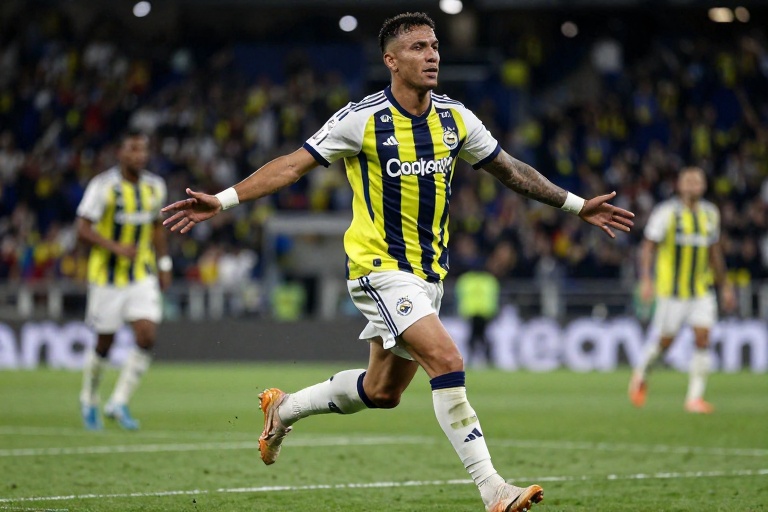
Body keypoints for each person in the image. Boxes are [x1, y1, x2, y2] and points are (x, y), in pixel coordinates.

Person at [163, 13, 634, 512]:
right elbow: (292, 165)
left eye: (434, 46)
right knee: (447, 361)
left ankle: (285, 409)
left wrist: (577, 205)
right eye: (417, 48)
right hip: (378, 268)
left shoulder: (455, 118)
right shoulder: (361, 119)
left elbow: (509, 169)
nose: (432, 56)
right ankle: (493, 489)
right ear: (391, 60)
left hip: (428, 275)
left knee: (382, 391)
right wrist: (224, 199)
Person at [76, 129, 171, 430]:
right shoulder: (103, 186)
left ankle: (118, 402)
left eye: (143, 149)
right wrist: (115, 247)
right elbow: (82, 229)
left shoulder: (155, 186)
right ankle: (89, 398)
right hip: (107, 277)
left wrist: (164, 263)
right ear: (120, 152)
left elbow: (156, 227)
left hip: (141, 274)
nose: (139, 155)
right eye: (132, 149)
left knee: (147, 336)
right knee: (105, 341)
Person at [629, 166, 736, 414]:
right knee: (665, 342)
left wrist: (725, 286)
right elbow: (648, 247)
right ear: (679, 185)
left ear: (704, 186)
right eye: (688, 181)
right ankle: (641, 373)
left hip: (701, 290)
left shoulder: (710, 213)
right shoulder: (666, 213)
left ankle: (694, 398)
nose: (693, 185)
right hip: (671, 292)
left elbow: (714, 252)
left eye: (697, 181)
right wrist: (646, 279)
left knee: (703, 337)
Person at [455, 264, 500, 367]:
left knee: (474, 337)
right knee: (483, 337)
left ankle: (473, 358)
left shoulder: (465, 279)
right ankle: (487, 359)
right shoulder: (489, 280)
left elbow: (459, 296)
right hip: (484, 313)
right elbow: (493, 296)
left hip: (472, 312)